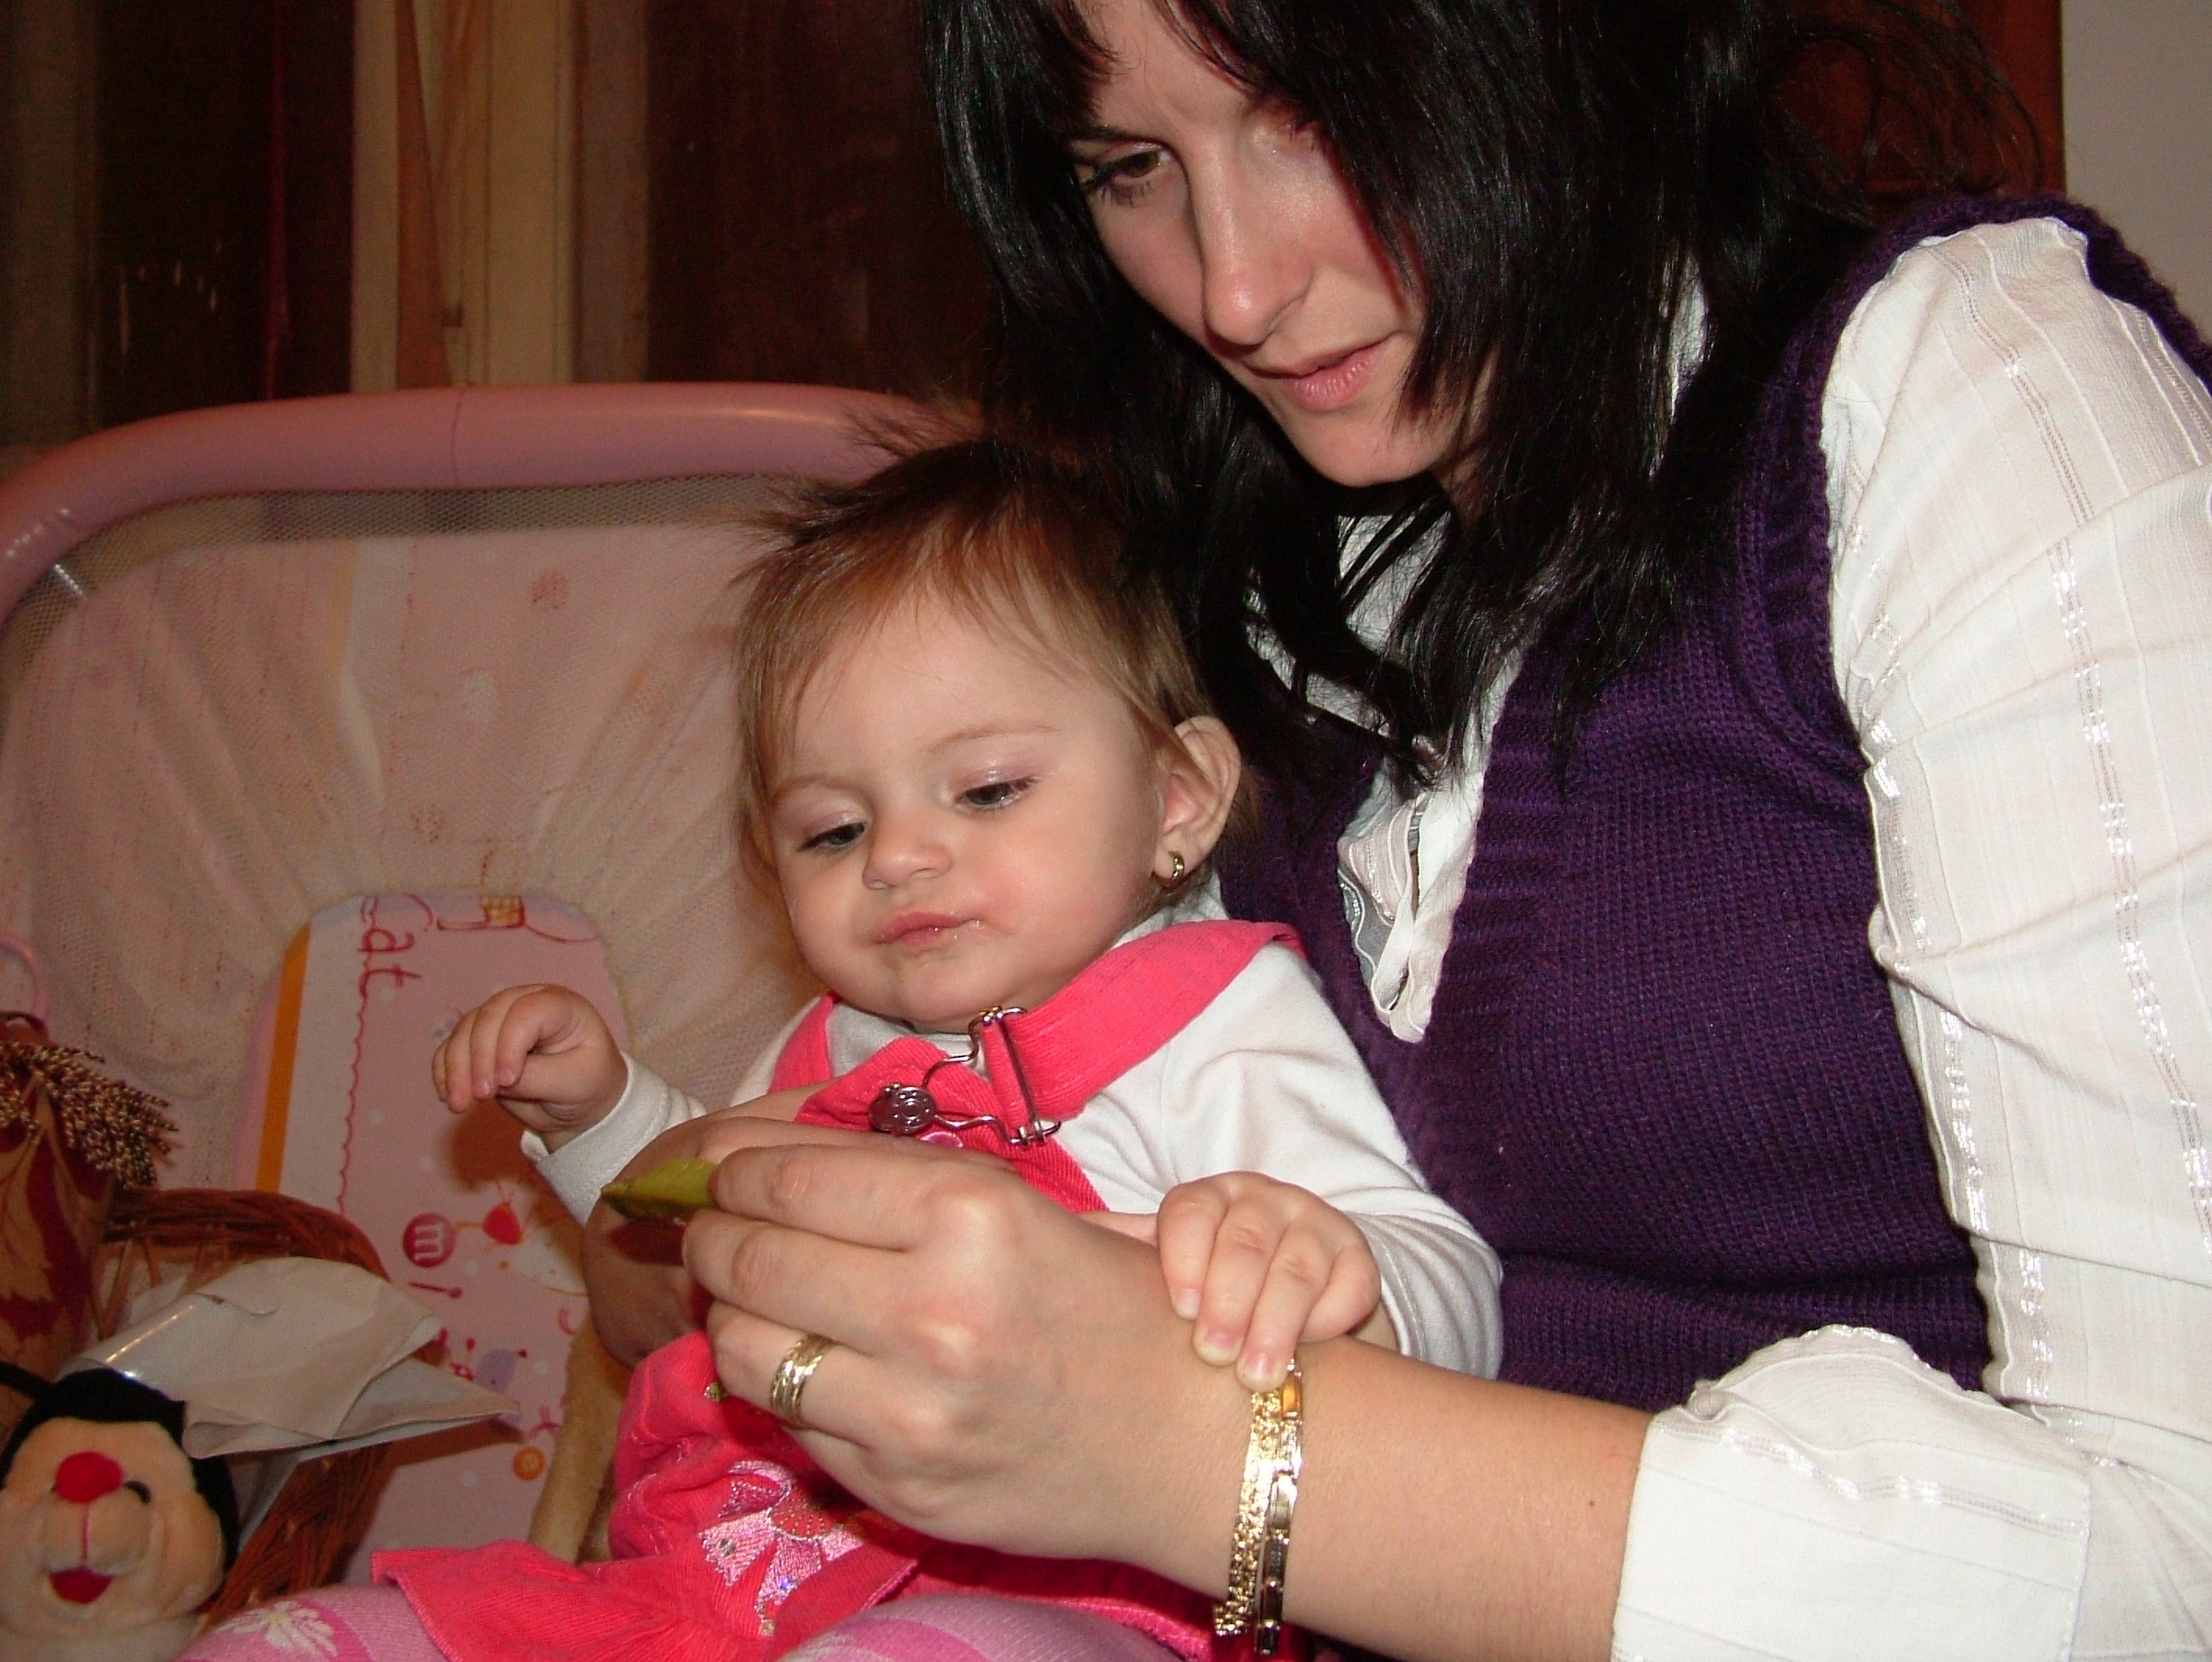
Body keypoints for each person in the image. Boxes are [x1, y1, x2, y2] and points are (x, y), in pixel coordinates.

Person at [597, 4, 2206, 1661]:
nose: (1234, 288)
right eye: (1131, 166)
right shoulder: (1240, 586)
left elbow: (2179, 1563)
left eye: (1313, 117)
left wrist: (1193, 1447)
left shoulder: (1980, 396)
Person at [351, 438, 1497, 1662]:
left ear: (1176, 797)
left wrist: (1329, 1267)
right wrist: (603, 1123)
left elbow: (1458, 1291)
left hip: (1088, 1601)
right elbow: (705, 1229)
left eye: (987, 791)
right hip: (732, 1582)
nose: (897, 856)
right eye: (834, 831)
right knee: (338, 1638)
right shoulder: (831, 1044)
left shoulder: (1213, 1018)